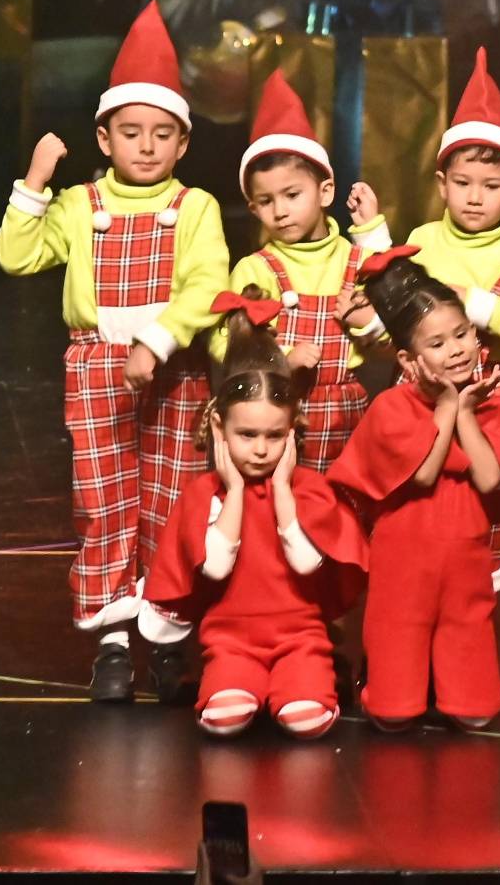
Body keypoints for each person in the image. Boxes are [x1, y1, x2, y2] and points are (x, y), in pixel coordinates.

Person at [0, 2, 228, 700]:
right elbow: (15, 255)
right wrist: (35, 185)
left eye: (163, 134)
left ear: (183, 143)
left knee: (172, 500)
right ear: (105, 134)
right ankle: (114, 641)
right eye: (132, 132)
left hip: (176, 371)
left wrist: (158, 341)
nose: (147, 147)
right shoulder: (79, 204)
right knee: (105, 502)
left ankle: (168, 635)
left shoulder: (195, 208)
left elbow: (206, 282)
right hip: (98, 368)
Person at [138, 292, 368, 738]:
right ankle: (245, 680)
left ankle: (300, 681)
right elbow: (216, 565)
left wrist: (282, 489)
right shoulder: (205, 493)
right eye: (246, 435)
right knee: (224, 718)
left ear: (292, 431)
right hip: (231, 639)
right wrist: (237, 490)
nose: (261, 449)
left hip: (301, 636)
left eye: (273, 435)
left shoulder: (309, 490)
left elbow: (307, 562)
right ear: (220, 428)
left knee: (305, 717)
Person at [327, 251, 500, 729]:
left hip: (465, 554)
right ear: (408, 358)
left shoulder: (491, 406)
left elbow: (490, 479)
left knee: (467, 637)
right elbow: (422, 473)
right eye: (438, 343)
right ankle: (392, 693)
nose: (458, 349)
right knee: (398, 648)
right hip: (403, 558)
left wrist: (464, 412)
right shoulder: (391, 406)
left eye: (462, 334)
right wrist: (446, 407)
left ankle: (463, 694)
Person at [399, 48, 500, 593]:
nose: (475, 197)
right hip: (419, 388)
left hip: (486, 392)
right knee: (419, 485)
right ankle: (413, 581)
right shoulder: (421, 241)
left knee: (482, 494)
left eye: (490, 186)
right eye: (463, 183)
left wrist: (475, 303)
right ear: (443, 183)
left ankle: (476, 582)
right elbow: (394, 315)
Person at [221, 69, 392, 471]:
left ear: (325, 191)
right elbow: (225, 346)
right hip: (278, 414)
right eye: (266, 201)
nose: (280, 211)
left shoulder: (353, 261)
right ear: (253, 208)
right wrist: (280, 360)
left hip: (348, 410)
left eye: (292, 194)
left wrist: (368, 324)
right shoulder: (256, 269)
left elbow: (394, 340)